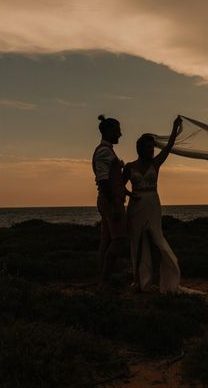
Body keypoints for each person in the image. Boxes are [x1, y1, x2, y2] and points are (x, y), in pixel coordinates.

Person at [124, 116, 182, 293]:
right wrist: (130, 195)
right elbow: (119, 185)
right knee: (137, 242)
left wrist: (174, 128)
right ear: (140, 149)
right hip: (136, 206)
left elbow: (169, 146)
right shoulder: (129, 166)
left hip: (152, 204)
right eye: (148, 147)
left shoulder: (156, 163)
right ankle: (138, 279)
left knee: (156, 240)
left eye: (153, 147)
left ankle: (156, 279)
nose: (152, 150)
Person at [92, 115, 126, 289]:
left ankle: (101, 279)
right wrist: (114, 204)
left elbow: (110, 179)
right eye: (118, 130)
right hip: (110, 201)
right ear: (109, 131)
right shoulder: (104, 151)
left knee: (106, 240)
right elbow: (104, 180)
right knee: (119, 239)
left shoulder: (107, 150)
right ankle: (104, 280)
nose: (120, 133)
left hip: (107, 200)